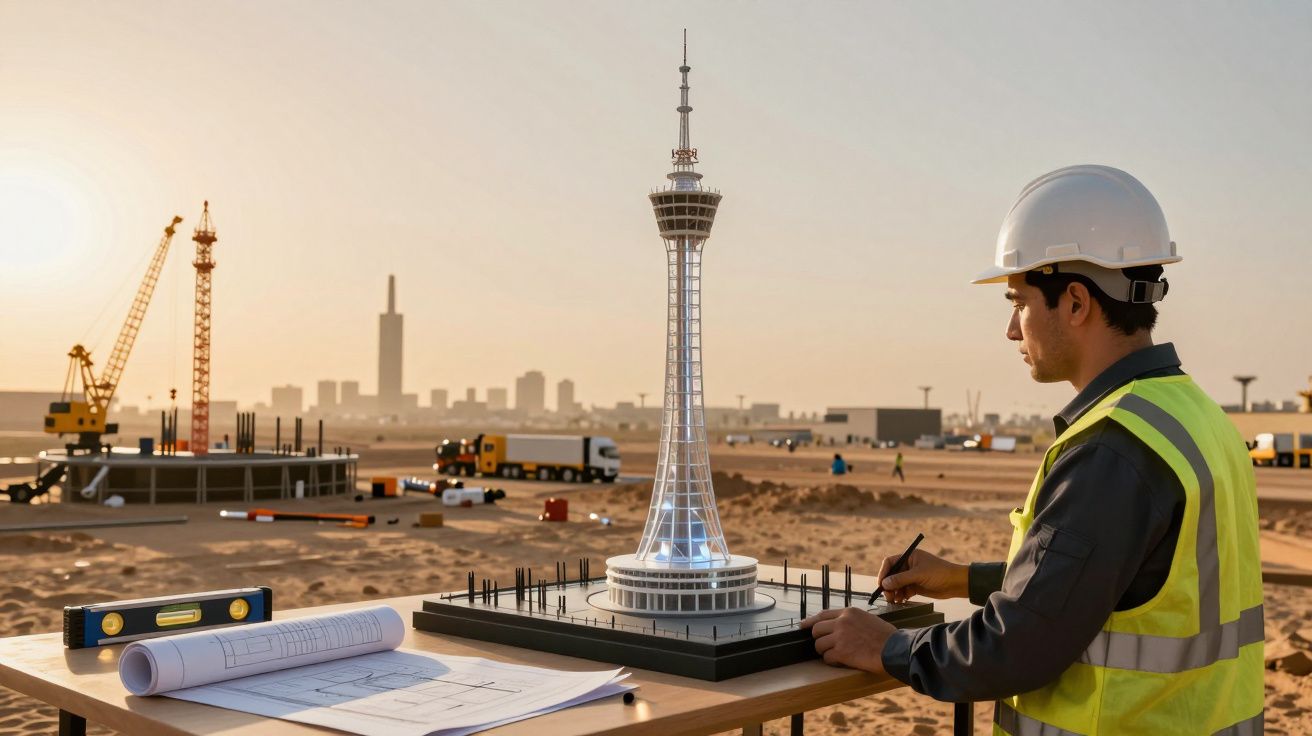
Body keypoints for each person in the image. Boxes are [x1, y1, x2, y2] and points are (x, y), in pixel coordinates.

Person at [802, 166, 1262, 734]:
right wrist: (964, 579)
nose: (1011, 330)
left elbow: (1014, 648)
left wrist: (887, 647)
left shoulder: (1112, 448)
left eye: (1018, 302)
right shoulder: (1195, 416)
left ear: (1075, 302)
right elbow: (1115, 581)